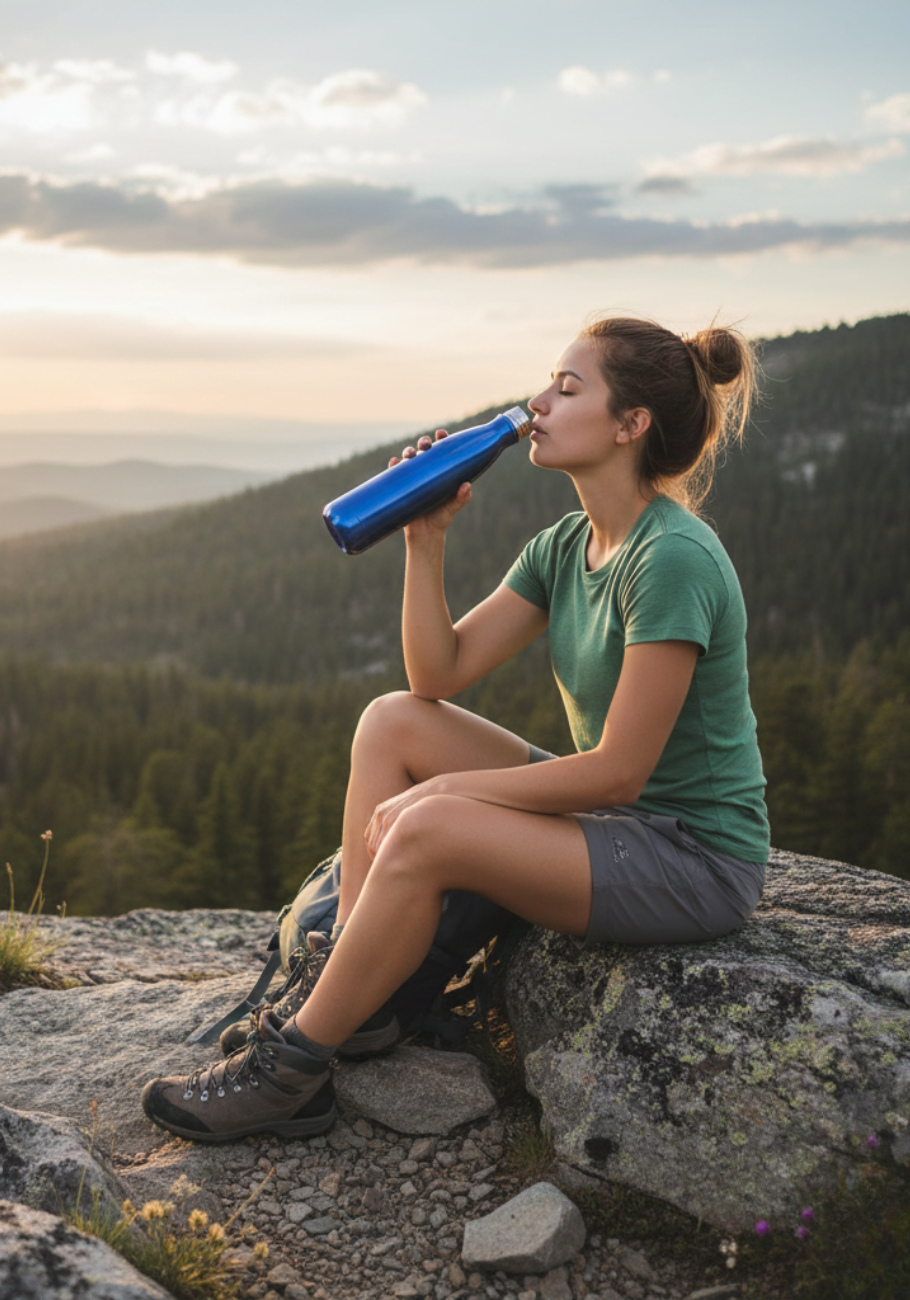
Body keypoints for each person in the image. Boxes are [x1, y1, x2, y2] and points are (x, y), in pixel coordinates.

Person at [141, 315, 769, 1143]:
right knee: (392, 724)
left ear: (631, 424)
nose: (537, 402)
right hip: (620, 823)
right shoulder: (567, 544)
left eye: (567, 388)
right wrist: (424, 540)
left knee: (431, 819)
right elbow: (435, 677)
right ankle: (351, 997)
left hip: (690, 857)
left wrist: (448, 793)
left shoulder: (672, 559)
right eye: (547, 381)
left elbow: (618, 771)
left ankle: (289, 1072)